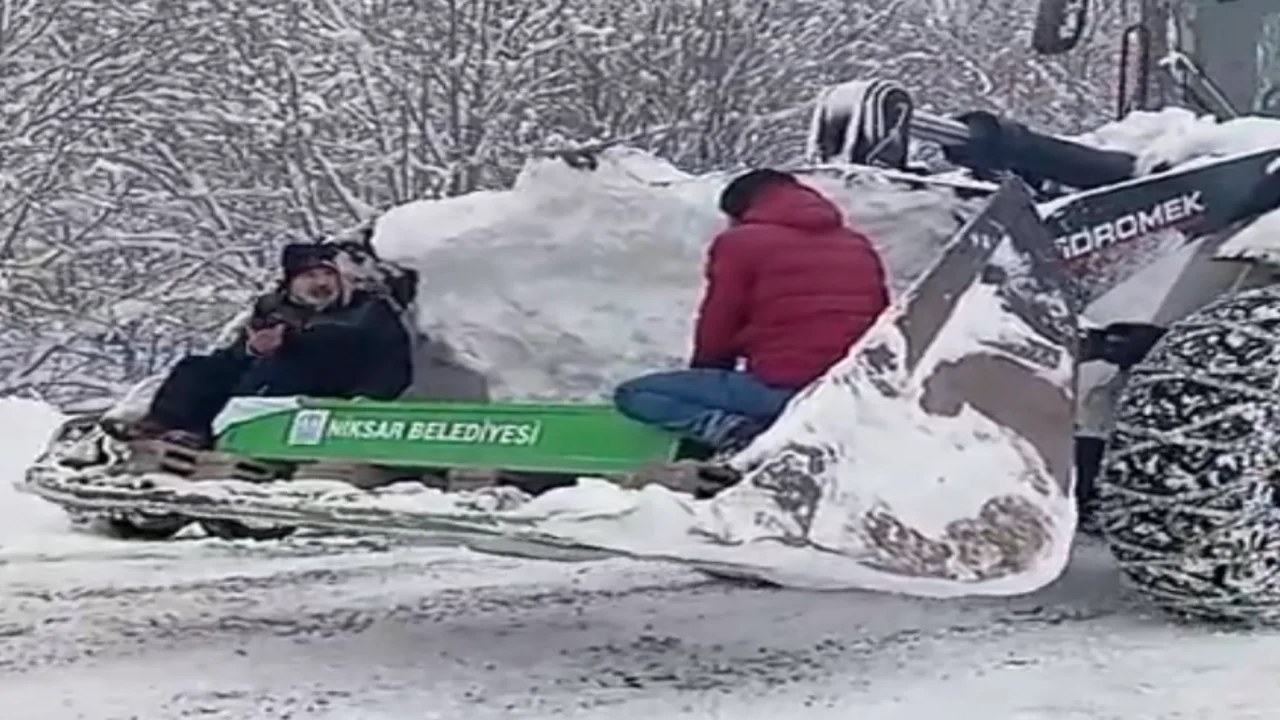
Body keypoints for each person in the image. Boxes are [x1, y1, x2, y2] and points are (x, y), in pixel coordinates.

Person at [613, 169, 890, 457]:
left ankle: (741, 435)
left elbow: (721, 320)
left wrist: (709, 372)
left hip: (784, 388)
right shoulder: (856, 244)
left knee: (637, 394)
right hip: (846, 393)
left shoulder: (741, 243)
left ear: (741, 210)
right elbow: (882, 317)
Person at [121, 242, 414, 447]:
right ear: (291, 282)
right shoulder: (274, 310)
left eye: (328, 274)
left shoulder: (367, 311)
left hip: (336, 389)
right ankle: (168, 424)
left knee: (293, 357)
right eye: (311, 276)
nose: (322, 283)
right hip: (274, 381)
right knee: (201, 366)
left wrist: (368, 400)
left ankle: (212, 431)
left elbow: (378, 355)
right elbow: (238, 356)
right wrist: (254, 350)